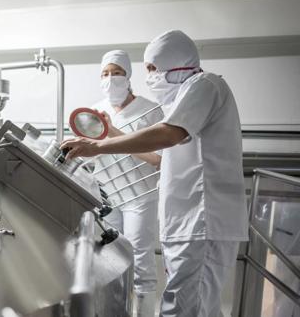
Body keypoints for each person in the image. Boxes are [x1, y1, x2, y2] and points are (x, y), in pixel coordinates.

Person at [63, 30, 248, 317]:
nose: (149, 76)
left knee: (185, 308)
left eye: (153, 68)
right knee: (195, 306)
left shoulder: (205, 84)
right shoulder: (183, 95)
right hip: (185, 219)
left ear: (176, 64)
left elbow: (167, 135)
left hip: (202, 218)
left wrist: (99, 145)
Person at [93, 50, 163, 317]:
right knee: (109, 262)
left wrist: (111, 132)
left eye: (117, 73)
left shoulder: (151, 111)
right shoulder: (96, 110)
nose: (110, 79)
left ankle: (143, 313)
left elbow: (158, 159)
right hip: (107, 199)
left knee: (140, 262)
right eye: (105, 74)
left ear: (128, 76)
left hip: (140, 197)